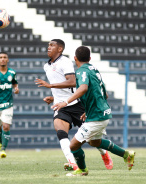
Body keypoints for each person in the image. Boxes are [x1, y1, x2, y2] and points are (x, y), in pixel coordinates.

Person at [51, 46, 136, 176]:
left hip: (97, 116)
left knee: (73, 145)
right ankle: (126, 155)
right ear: (90, 58)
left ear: (75, 58)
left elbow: (83, 88)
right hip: (102, 112)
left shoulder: (81, 72)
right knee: (94, 142)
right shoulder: (94, 70)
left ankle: (82, 170)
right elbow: (105, 94)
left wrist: (65, 102)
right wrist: (89, 109)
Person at [35, 39, 113, 171]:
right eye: (48, 45)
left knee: (92, 140)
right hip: (61, 106)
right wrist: (54, 97)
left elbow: (72, 82)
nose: (48, 47)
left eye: (52, 45)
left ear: (60, 49)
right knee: (61, 132)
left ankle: (104, 153)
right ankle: (72, 163)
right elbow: (62, 87)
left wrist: (50, 86)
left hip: (76, 104)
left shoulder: (65, 62)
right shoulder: (46, 66)